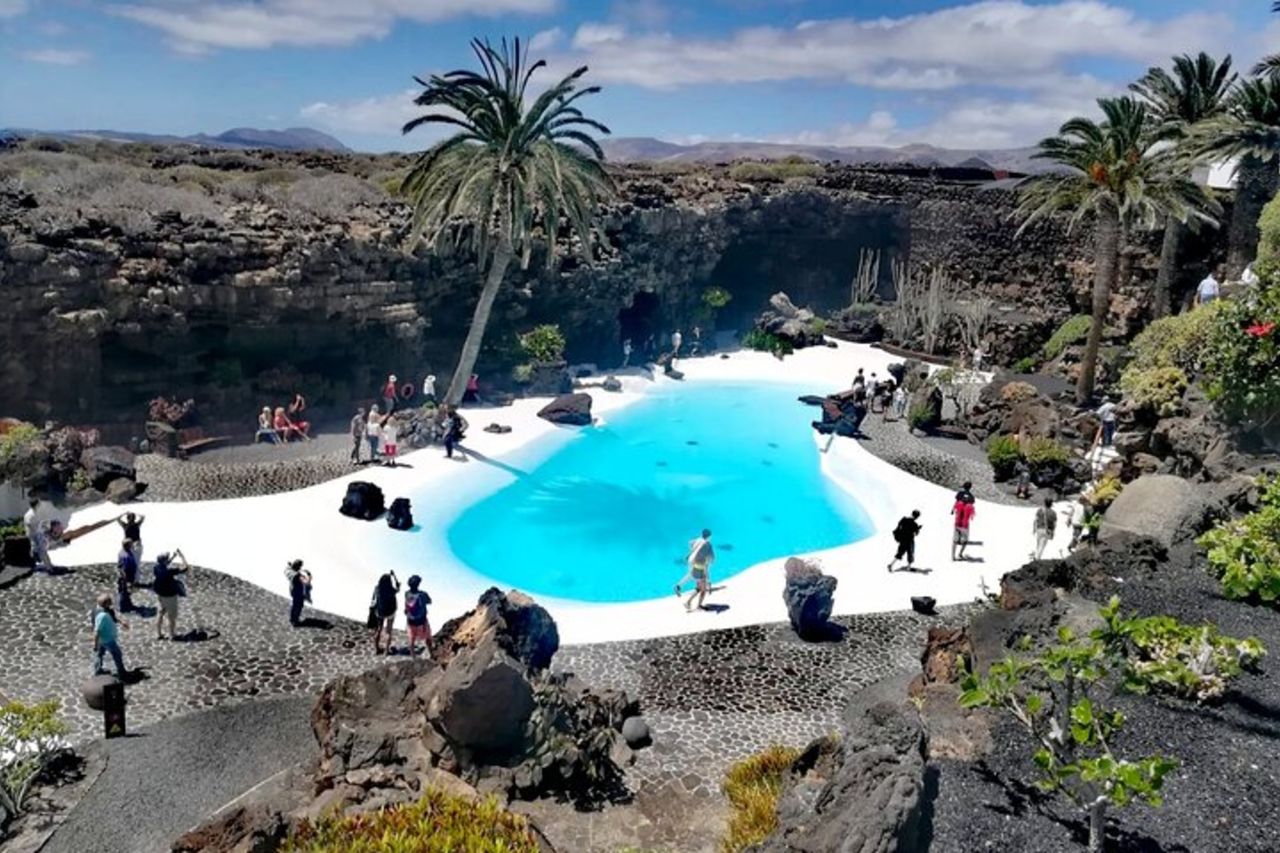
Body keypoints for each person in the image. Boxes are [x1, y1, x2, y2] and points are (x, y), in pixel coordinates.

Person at [152, 550, 189, 640]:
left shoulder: (156, 568)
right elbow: (185, 568)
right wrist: (182, 557)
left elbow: (164, 563)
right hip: (170, 597)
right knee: (171, 617)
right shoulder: (169, 571)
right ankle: (172, 635)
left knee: (160, 614)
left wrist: (173, 557)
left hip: (160, 595)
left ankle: (158, 633)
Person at [675, 529, 715, 612]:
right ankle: (693, 603)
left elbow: (690, 543)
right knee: (701, 585)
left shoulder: (698, 539)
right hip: (699, 566)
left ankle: (680, 588)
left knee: (692, 577)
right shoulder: (708, 545)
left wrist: (693, 552)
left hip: (692, 561)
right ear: (709, 536)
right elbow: (712, 559)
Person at [92, 593, 128, 678]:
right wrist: (95, 644)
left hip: (103, 639)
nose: (112, 602)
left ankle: (97, 671)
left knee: (99, 654)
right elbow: (97, 631)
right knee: (117, 654)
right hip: (107, 639)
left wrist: (121, 622)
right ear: (106, 604)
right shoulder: (102, 615)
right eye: (109, 601)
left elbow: (113, 617)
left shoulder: (104, 610)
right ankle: (121, 671)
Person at [370, 570, 400, 655]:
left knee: (379, 630)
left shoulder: (377, 588)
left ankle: (376, 649)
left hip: (380, 611)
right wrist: (394, 576)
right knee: (388, 631)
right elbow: (398, 587)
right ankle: (386, 651)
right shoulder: (392, 590)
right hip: (391, 611)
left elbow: (374, 599)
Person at [404, 574, 433, 657]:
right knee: (428, 638)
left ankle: (413, 657)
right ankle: (432, 654)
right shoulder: (422, 594)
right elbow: (430, 601)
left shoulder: (406, 593)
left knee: (411, 639)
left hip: (410, 621)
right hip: (422, 621)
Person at [286, 559, 312, 627]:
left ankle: (292, 619)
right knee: (298, 606)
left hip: (293, 591)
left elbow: (289, 567)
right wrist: (309, 575)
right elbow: (306, 582)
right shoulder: (297, 576)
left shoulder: (290, 572)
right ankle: (295, 620)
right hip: (298, 592)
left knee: (294, 605)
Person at [951, 493, 976, 561]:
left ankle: (953, 556)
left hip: (957, 524)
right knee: (965, 541)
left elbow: (955, 509)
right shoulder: (970, 507)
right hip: (965, 526)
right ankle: (960, 553)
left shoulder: (958, 503)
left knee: (955, 541)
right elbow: (972, 516)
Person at [117, 539, 139, 612]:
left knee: (126, 592)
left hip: (127, 575)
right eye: (131, 544)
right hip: (127, 576)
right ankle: (124, 607)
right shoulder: (126, 556)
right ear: (128, 546)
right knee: (124, 592)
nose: (132, 545)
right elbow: (124, 568)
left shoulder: (123, 552)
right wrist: (127, 580)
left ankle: (128, 604)